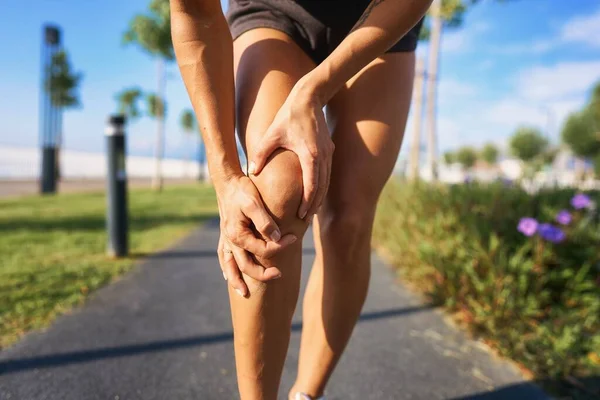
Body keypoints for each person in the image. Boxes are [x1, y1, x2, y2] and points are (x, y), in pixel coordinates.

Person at [170, 0, 429, 398]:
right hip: (274, 13)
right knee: (273, 195)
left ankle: (306, 394)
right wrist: (225, 178)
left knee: (348, 220)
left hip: (380, 15)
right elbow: (195, 14)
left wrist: (312, 90)